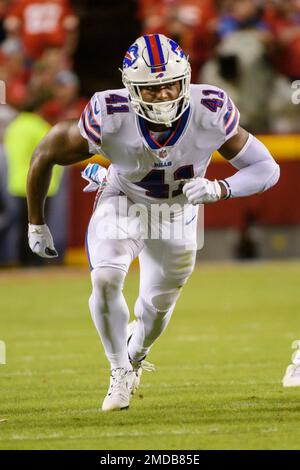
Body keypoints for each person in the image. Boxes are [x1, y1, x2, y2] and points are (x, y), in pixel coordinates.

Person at [26, 34, 280, 411]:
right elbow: (45, 152)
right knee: (106, 277)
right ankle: (118, 371)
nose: (163, 95)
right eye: (151, 89)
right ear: (131, 89)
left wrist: (221, 188)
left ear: (186, 79)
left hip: (177, 214)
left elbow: (266, 168)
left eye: (169, 85)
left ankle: (136, 355)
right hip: (123, 198)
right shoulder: (109, 114)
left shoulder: (209, 108)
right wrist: (36, 224)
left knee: (155, 311)